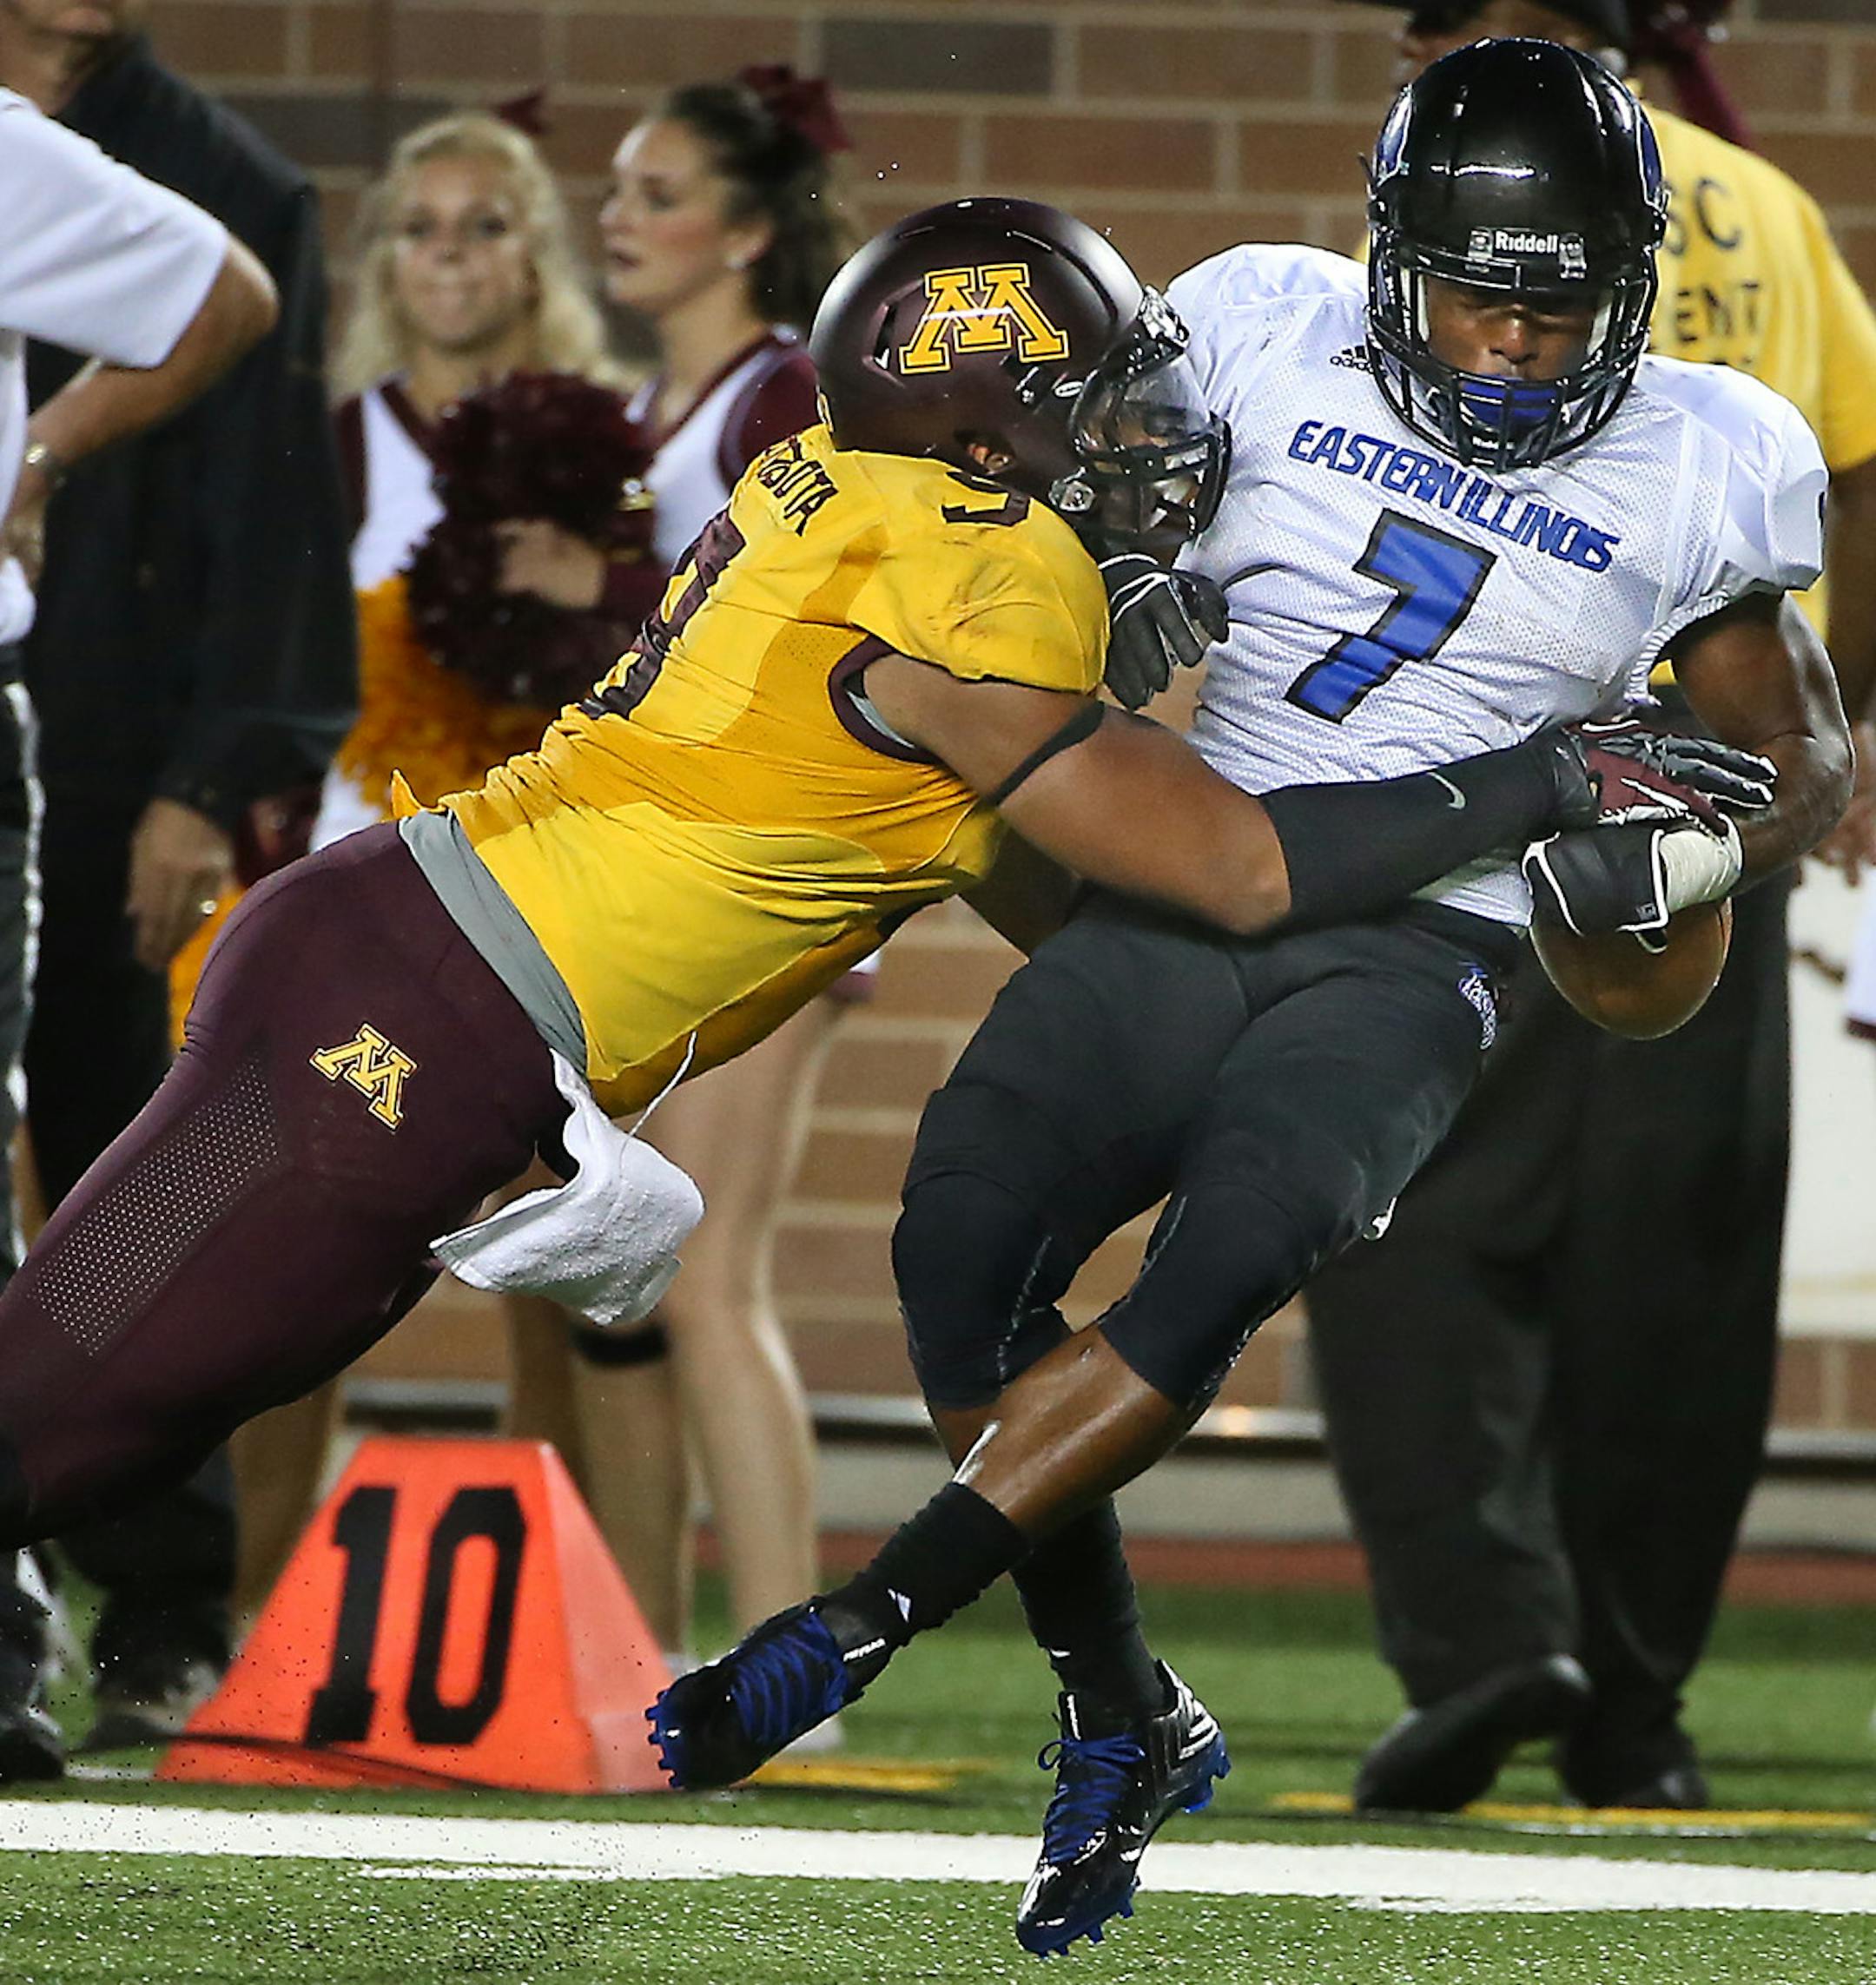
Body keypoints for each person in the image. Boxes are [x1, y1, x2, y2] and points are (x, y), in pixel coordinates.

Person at [0, 190, 1646, 1629]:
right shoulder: (990, 570)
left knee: (124, 1408)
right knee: (67, 1411)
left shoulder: (854, 486)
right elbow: (1234, 865)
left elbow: (1064, 895)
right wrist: (1545, 776)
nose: (1150, 439)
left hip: (411, 969)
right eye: (1102, 406)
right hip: (419, 1015)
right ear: (981, 439)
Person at [651, 44, 1852, 1962]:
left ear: (1629, 295)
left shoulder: (1707, 451)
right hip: (1208, 860)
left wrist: (1709, 848)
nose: (1516, 346)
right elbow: (1061, 508)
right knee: (958, 1237)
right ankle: (1126, 1707)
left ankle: (868, 1616)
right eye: (1478, 297)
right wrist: (1109, 556)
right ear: (1390, 260)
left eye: (1558, 309)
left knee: (1231, 1251)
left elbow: (1803, 752)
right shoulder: (1258, 324)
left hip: (1424, 943)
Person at [1311, 0, 1876, 1816]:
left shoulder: (1432, 204)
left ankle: (1487, 1639)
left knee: (1398, 1228)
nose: (1417, 50)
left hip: (1461, 796)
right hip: (1697, 798)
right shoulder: (1762, 209)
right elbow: (1857, 481)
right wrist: (1832, 742)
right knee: (1676, 1278)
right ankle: (1635, 1710)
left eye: (1439, 23)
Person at [0, 0, 358, 1765]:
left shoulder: (224, 177)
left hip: (118, 744)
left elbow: (277, 506)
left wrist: (213, 777)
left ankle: (163, 1592)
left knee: (126, 1171)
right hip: (43, 704)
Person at [228, 104, 628, 1627]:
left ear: (535, 256)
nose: (450, 257)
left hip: (558, 899)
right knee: (296, 1265)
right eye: (419, 228)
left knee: (556, 1269)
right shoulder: (336, 443)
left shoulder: (606, 442)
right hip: (361, 900)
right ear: (384, 260)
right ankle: (247, 1620)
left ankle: (555, 1635)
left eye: (485, 225)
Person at [488, 69, 860, 1664]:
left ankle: (792, 1667)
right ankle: (638, 1664)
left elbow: (804, 618)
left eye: (660, 194)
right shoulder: (644, 414)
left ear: (750, 230)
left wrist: (602, 579)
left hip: (770, 878)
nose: (619, 220)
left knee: (709, 1280)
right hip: (652, 882)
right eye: (617, 191)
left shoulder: (786, 393)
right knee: (618, 1284)